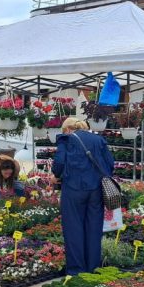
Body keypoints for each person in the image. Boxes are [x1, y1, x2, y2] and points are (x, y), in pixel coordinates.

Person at [51, 117, 114, 275]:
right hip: (96, 189)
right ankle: (93, 267)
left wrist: (56, 175)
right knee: (94, 229)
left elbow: (58, 163)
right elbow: (110, 164)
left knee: (73, 229)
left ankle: (76, 270)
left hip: (73, 189)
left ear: (67, 129)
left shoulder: (66, 139)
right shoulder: (99, 140)